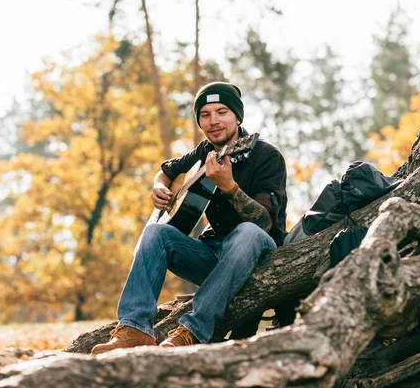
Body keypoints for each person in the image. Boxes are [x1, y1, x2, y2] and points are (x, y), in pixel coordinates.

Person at [91, 81, 287, 354]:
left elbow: (264, 222)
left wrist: (230, 187)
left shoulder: (267, 156)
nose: (213, 121)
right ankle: (135, 328)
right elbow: (167, 170)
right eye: (205, 115)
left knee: (247, 232)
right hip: (214, 256)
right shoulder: (203, 151)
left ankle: (193, 331)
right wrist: (158, 187)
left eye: (222, 112)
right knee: (155, 233)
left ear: (237, 116)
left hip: (258, 257)